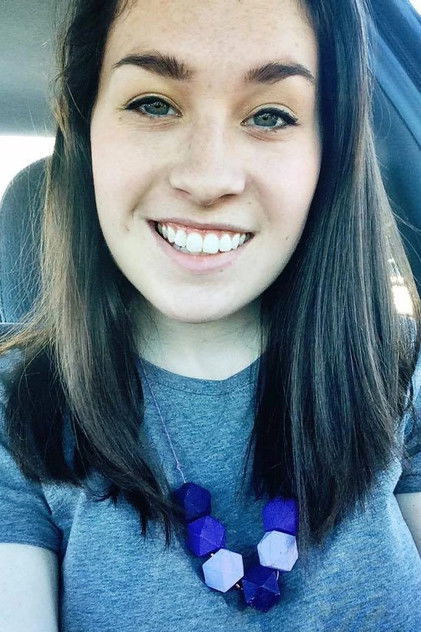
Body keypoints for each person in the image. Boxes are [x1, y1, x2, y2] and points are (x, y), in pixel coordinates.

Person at [0, 0, 420, 629]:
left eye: (271, 115)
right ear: (86, 133)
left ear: (327, 155)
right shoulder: (17, 411)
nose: (207, 177)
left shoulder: (400, 371)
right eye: (153, 104)